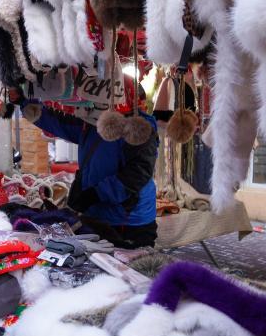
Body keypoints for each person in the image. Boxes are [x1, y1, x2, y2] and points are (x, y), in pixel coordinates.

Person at [10, 80, 159, 249]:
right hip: (97, 215)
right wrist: (25, 102)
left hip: (130, 222)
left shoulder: (139, 131)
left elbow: (137, 174)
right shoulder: (91, 123)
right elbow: (60, 122)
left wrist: (95, 194)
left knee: (131, 264)